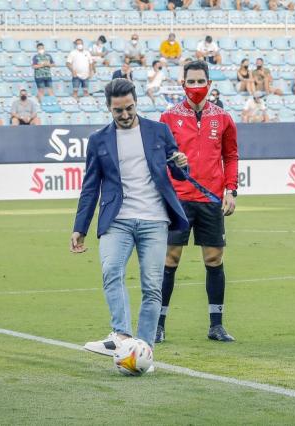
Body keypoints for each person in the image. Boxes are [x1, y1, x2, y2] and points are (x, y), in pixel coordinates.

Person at [71, 78, 189, 361]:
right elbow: (90, 187)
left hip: (154, 219)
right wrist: (80, 228)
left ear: (136, 102)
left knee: (151, 286)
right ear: (108, 108)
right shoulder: (98, 140)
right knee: (111, 271)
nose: (125, 115)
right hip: (117, 219)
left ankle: (144, 350)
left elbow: (179, 172)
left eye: (129, 108)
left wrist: (183, 165)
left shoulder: (159, 131)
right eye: (118, 111)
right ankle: (121, 336)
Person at [157, 60, 239, 344]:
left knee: (214, 259)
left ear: (210, 83)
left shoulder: (224, 118)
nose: (195, 87)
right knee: (170, 259)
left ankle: (216, 325)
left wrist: (231, 190)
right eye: (190, 82)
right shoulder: (167, 118)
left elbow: (230, 156)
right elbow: (159, 158)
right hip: (178, 199)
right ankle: (159, 324)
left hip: (211, 199)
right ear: (182, 84)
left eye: (200, 81)